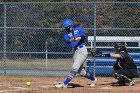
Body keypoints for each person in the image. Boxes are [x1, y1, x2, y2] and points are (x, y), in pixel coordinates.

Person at [55, 18, 97, 88]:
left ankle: (65, 83)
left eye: (66, 27)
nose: (65, 29)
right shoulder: (66, 35)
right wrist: (71, 39)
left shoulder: (79, 29)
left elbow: (84, 35)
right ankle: (93, 79)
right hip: (75, 52)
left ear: (70, 26)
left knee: (74, 68)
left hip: (82, 50)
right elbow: (67, 41)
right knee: (81, 72)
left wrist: (79, 38)